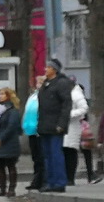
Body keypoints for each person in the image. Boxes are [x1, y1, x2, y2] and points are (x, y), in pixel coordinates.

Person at [36, 58, 73, 193]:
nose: (45, 69)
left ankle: (59, 182)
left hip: (56, 127)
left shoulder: (61, 83)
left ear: (54, 70)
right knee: (47, 156)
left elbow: (66, 105)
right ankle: (50, 182)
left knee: (56, 155)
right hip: (45, 126)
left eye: (48, 67)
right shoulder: (46, 84)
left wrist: (61, 124)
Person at [0, 87, 22, 197]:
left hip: (9, 142)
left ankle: (12, 189)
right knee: (0, 166)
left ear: (8, 96)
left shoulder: (13, 110)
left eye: (3, 94)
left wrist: (0, 138)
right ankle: (2, 189)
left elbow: (11, 127)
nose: (0, 96)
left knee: (11, 166)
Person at [61, 79, 89, 185]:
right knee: (64, 152)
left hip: (73, 126)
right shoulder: (67, 93)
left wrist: (70, 114)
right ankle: (66, 176)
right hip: (64, 126)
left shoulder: (77, 94)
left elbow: (84, 108)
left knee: (71, 152)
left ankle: (70, 178)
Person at [22, 75, 44, 191]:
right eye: (37, 82)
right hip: (31, 131)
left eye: (41, 82)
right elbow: (27, 112)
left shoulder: (45, 96)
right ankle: (36, 180)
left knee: (41, 158)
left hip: (40, 132)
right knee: (35, 158)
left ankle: (41, 181)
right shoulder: (33, 96)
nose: (38, 84)